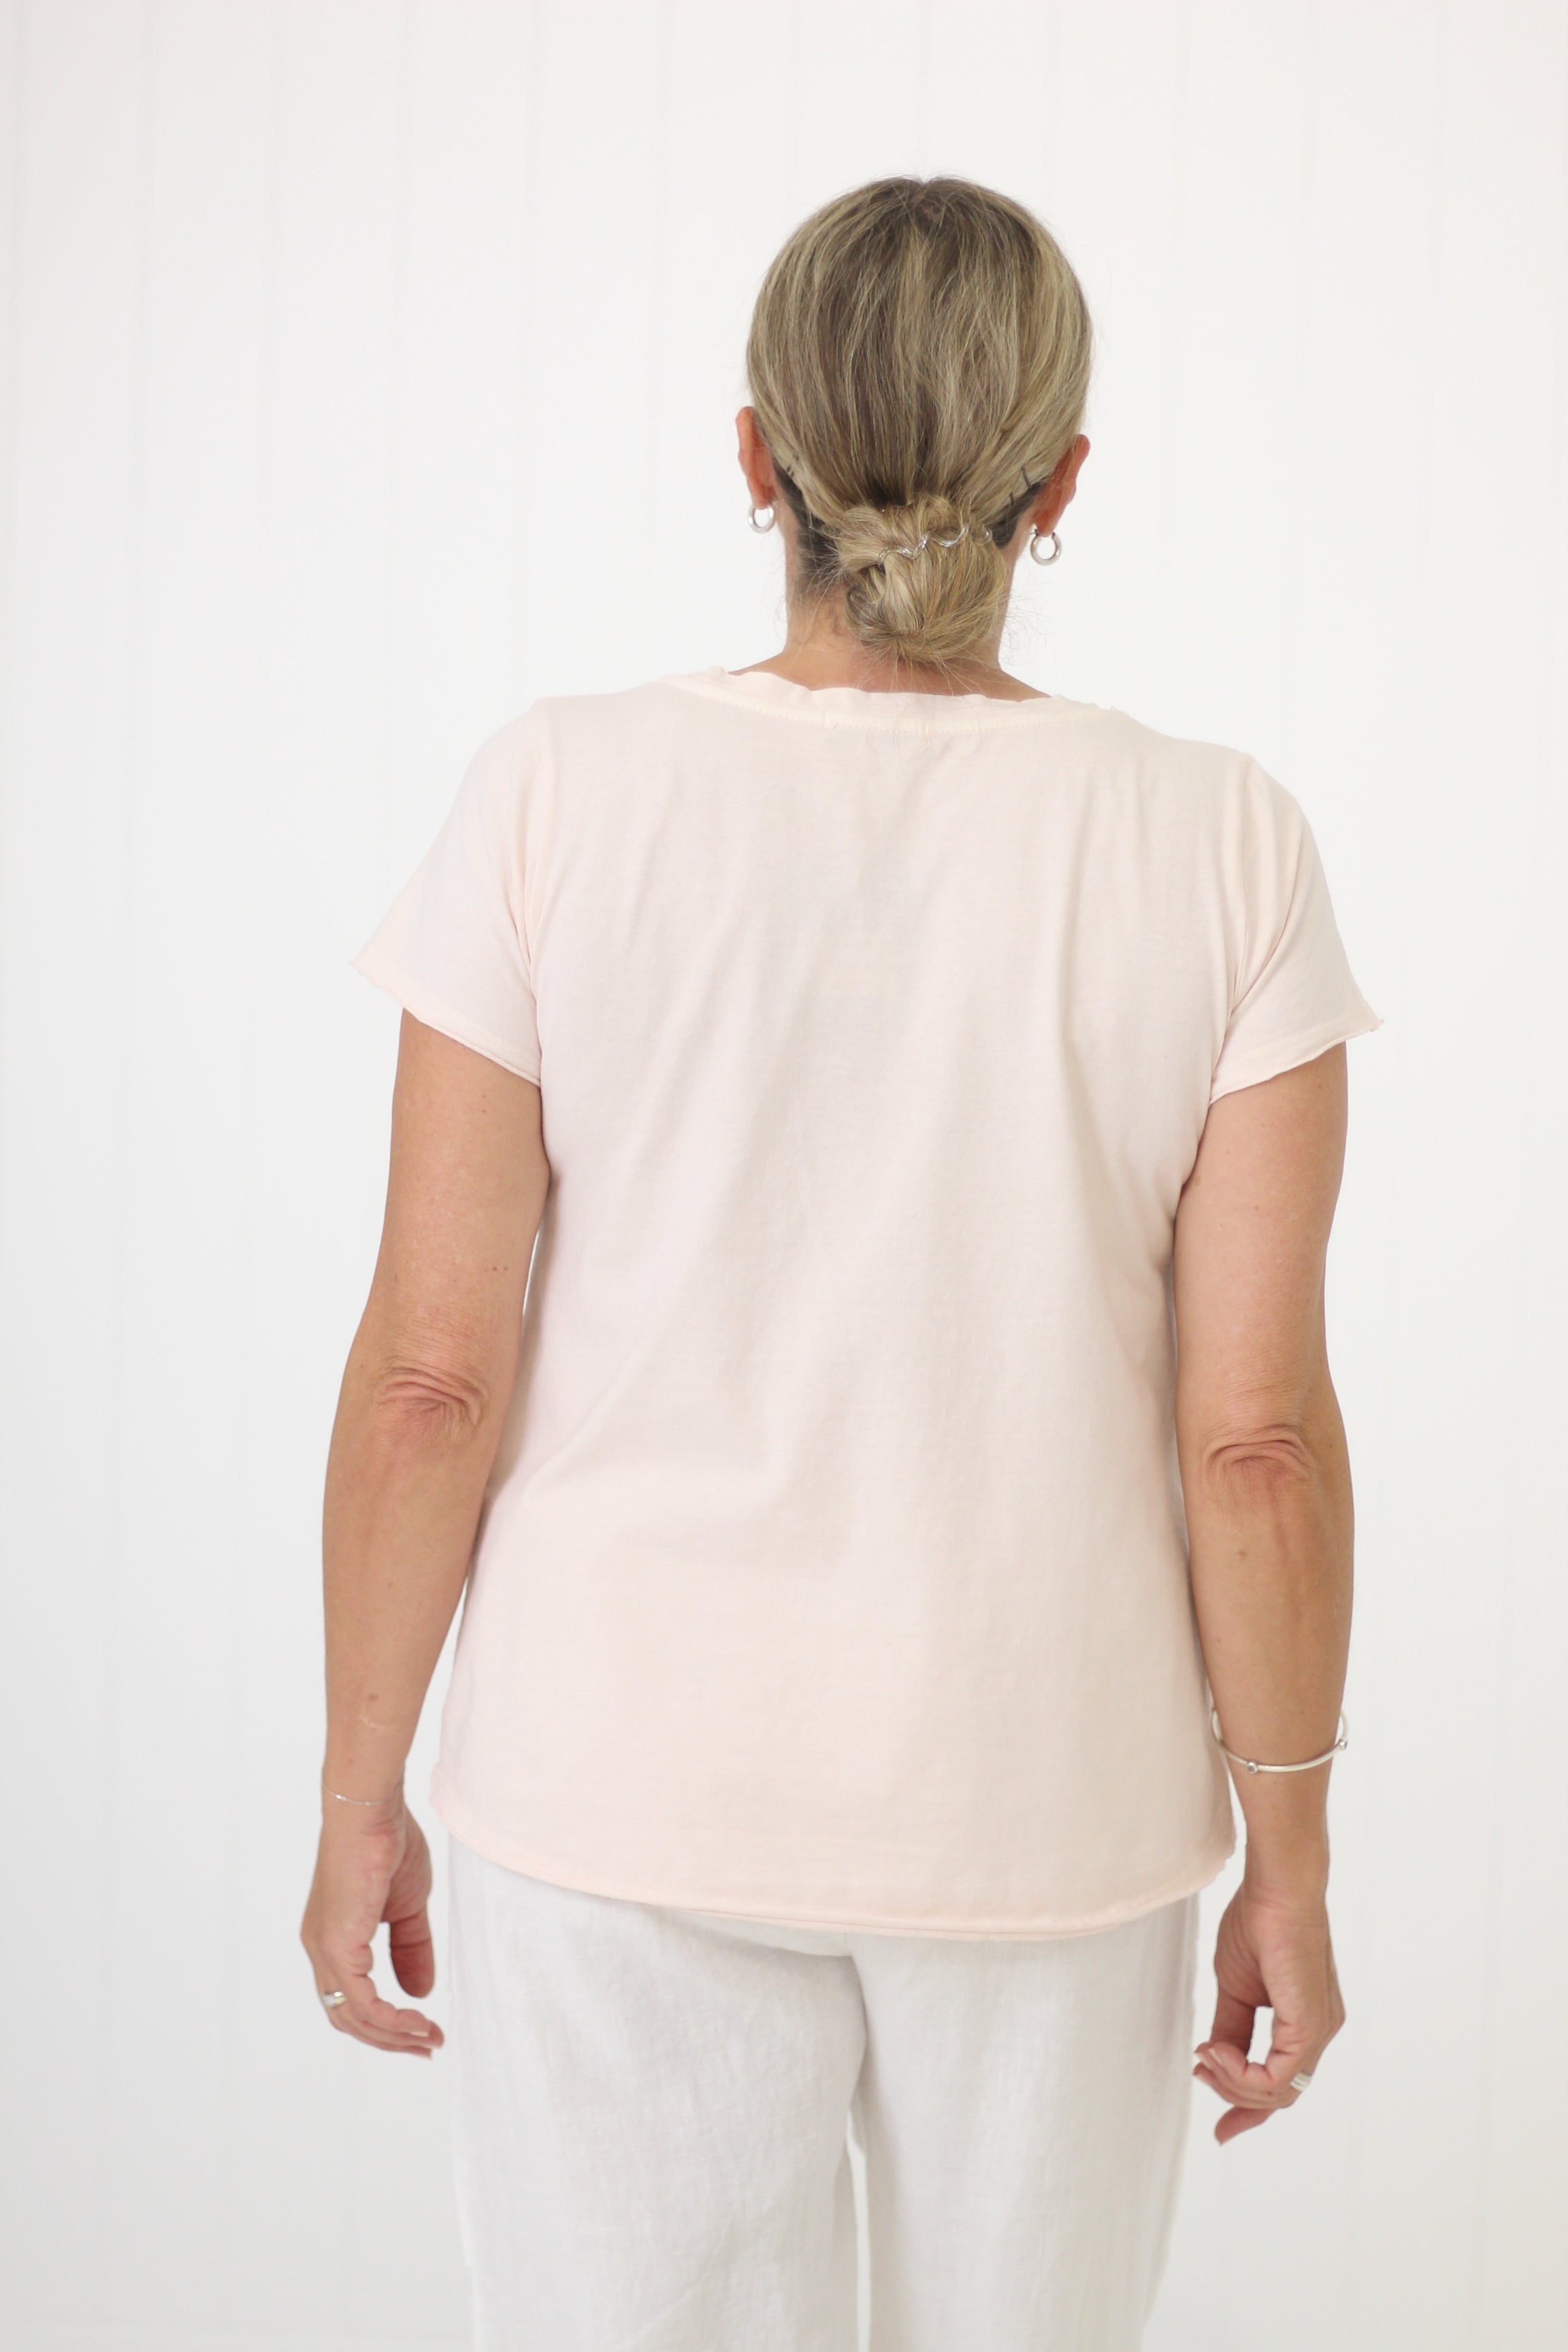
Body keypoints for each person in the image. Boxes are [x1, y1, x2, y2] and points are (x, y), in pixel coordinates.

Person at [300, 176, 1379, 2351]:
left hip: (615, 1789)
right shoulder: (1223, 841)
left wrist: (358, 1792)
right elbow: (1254, 1440)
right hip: (1051, 1810)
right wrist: (1292, 1851)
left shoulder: (556, 794)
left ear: (754, 453)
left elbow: (433, 1378)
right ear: (1063, 480)